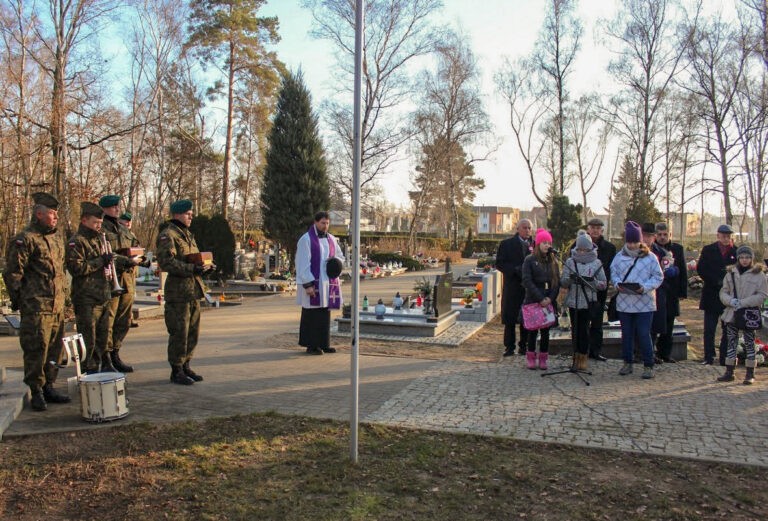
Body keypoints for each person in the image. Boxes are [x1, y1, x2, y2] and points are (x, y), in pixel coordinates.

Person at [2, 192, 70, 411]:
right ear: (39, 214)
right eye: (51, 213)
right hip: (37, 307)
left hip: (57, 306)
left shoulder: (56, 238)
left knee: (55, 350)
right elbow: (12, 274)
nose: (56, 218)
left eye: (56, 214)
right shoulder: (25, 239)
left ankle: (49, 384)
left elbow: (60, 272)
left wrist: (65, 301)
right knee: (36, 349)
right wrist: (22, 301)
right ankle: (36, 389)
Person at [156, 199, 214, 385]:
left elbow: (194, 259)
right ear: (177, 214)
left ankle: (187, 364)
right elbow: (167, 262)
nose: (191, 216)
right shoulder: (168, 235)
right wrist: (191, 269)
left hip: (193, 291)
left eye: (191, 213)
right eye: (187, 213)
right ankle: (176, 369)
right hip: (178, 293)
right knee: (179, 331)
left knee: (193, 332)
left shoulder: (187, 235)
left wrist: (205, 268)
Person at [100, 196, 150, 372]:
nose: (116, 209)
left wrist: (142, 259)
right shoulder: (101, 229)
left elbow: (136, 247)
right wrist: (127, 261)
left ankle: (115, 352)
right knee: (109, 320)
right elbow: (105, 253)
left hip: (127, 282)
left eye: (117, 206)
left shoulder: (124, 230)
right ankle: (105, 358)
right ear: (104, 209)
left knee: (124, 320)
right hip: (110, 282)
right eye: (112, 206)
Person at [610, 221, 664, 379]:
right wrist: (617, 284)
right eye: (629, 242)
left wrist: (645, 287)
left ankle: (648, 364)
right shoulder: (619, 257)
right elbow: (613, 273)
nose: (632, 245)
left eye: (635, 242)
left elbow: (658, 276)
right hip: (625, 303)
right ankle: (627, 362)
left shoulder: (650, 257)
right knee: (626, 334)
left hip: (644, 303)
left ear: (640, 241)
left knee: (643, 333)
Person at [66, 202, 115, 373]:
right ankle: (88, 370)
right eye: (96, 223)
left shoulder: (99, 239)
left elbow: (108, 259)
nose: (99, 226)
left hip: (103, 295)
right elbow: (77, 268)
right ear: (84, 220)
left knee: (103, 337)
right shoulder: (77, 242)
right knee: (88, 339)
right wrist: (101, 261)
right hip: (86, 298)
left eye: (100, 223)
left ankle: (101, 367)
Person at [296, 211, 345, 355]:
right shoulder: (306, 239)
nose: (325, 226)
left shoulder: (331, 239)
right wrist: (308, 284)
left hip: (328, 283)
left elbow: (340, 256)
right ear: (316, 222)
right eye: (323, 223)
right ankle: (311, 345)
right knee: (312, 314)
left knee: (324, 314)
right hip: (313, 283)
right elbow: (302, 263)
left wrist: (336, 264)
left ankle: (324, 343)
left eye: (327, 223)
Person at [717, 245, 767, 385]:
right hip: (732, 312)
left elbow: (762, 295)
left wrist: (744, 302)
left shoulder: (759, 275)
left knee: (750, 342)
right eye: (742, 257)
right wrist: (731, 301)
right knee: (731, 342)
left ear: (751, 259)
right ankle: (729, 371)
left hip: (749, 313)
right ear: (738, 258)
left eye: (747, 257)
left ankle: (750, 373)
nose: (744, 260)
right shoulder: (731, 273)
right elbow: (723, 292)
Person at [560, 230, 607, 371]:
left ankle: (583, 357)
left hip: (588, 302)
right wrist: (569, 280)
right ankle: (575, 357)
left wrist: (591, 282)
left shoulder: (596, 262)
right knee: (575, 330)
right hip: (574, 301)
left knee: (584, 331)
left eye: (584, 249)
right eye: (579, 249)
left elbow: (603, 283)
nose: (581, 252)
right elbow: (563, 281)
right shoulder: (570, 261)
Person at [570, 218, 616, 361]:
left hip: (599, 290)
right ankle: (579, 352)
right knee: (579, 324)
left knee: (597, 322)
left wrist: (601, 281)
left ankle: (595, 351)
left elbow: (610, 269)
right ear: (588, 229)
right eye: (592, 227)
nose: (595, 230)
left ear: (602, 230)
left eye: (598, 228)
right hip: (580, 291)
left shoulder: (609, 248)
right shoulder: (576, 245)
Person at [697, 224, 738, 365]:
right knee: (709, 328)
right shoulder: (709, 250)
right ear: (718, 236)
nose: (726, 239)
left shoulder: (736, 251)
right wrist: (715, 281)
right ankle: (708, 356)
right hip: (711, 293)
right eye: (723, 236)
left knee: (727, 328)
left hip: (729, 296)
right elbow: (701, 269)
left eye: (728, 236)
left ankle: (724, 356)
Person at [521, 228, 560, 370]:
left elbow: (556, 282)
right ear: (538, 244)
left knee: (545, 332)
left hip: (548, 300)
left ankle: (543, 357)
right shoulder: (530, 260)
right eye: (543, 242)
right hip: (533, 299)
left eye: (548, 243)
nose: (546, 245)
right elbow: (527, 280)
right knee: (532, 331)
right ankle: (531, 356)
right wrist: (540, 298)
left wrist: (550, 298)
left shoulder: (553, 261)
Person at [495, 219, 533, 357]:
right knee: (510, 318)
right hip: (512, 285)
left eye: (529, 228)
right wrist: (515, 270)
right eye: (524, 227)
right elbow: (499, 263)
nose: (527, 230)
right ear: (518, 229)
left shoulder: (535, 244)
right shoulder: (506, 244)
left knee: (527, 318)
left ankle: (524, 346)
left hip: (528, 288)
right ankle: (509, 347)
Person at [653, 222, 687, 363]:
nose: (662, 237)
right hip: (655, 291)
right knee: (654, 324)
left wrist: (682, 291)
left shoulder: (677, 249)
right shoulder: (651, 248)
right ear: (655, 235)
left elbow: (683, 270)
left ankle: (665, 353)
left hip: (671, 291)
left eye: (665, 234)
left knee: (669, 323)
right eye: (659, 235)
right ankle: (651, 352)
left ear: (670, 234)